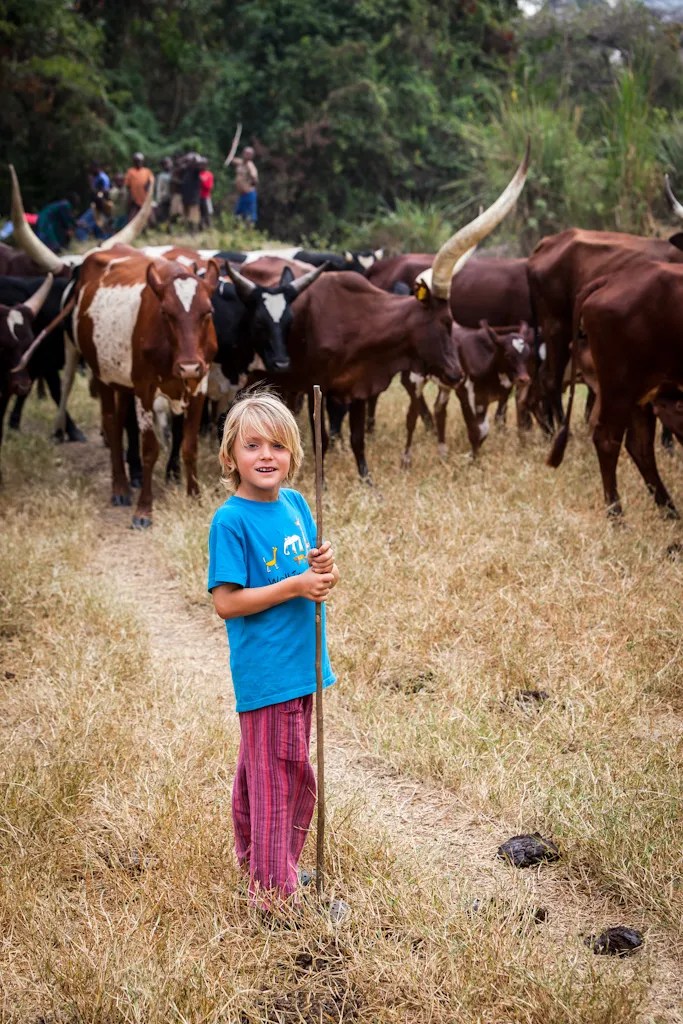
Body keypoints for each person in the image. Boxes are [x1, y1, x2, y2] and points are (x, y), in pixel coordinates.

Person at [208, 389, 339, 915]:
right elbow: (226, 603)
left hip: (301, 666)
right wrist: (298, 585)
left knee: (269, 774)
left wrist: (324, 568)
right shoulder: (231, 521)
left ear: (294, 454)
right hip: (268, 675)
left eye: (278, 446)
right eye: (253, 445)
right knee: (279, 778)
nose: (267, 455)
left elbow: (314, 576)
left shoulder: (297, 505)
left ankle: (267, 868)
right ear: (230, 456)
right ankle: (274, 896)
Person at [123, 152, 154, 220]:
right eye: (136, 161)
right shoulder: (130, 171)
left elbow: (151, 182)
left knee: (150, 217)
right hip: (134, 199)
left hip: (145, 198)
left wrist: (148, 186)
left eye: (140, 161)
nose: (138, 163)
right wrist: (130, 196)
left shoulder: (147, 171)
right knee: (132, 217)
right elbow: (128, 185)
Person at [233, 146, 258, 225]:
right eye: (246, 153)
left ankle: (249, 234)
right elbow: (232, 159)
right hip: (241, 194)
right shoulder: (241, 163)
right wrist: (234, 145)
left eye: (249, 154)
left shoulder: (250, 166)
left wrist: (252, 179)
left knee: (249, 216)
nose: (247, 155)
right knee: (238, 214)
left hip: (249, 194)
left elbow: (255, 179)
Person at [153, 157, 173, 227]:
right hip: (164, 198)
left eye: (170, 163)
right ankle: (166, 226)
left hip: (172, 197)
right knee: (164, 213)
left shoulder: (173, 174)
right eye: (167, 163)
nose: (169, 165)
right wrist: (158, 200)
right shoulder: (161, 176)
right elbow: (158, 189)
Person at [198, 157, 214, 230]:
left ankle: (210, 229)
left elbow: (209, 187)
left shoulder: (209, 174)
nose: (201, 166)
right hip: (197, 198)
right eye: (200, 164)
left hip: (206, 197)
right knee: (199, 215)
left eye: (203, 164)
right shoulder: (197, 174)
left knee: (207, 214)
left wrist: (202, 181)